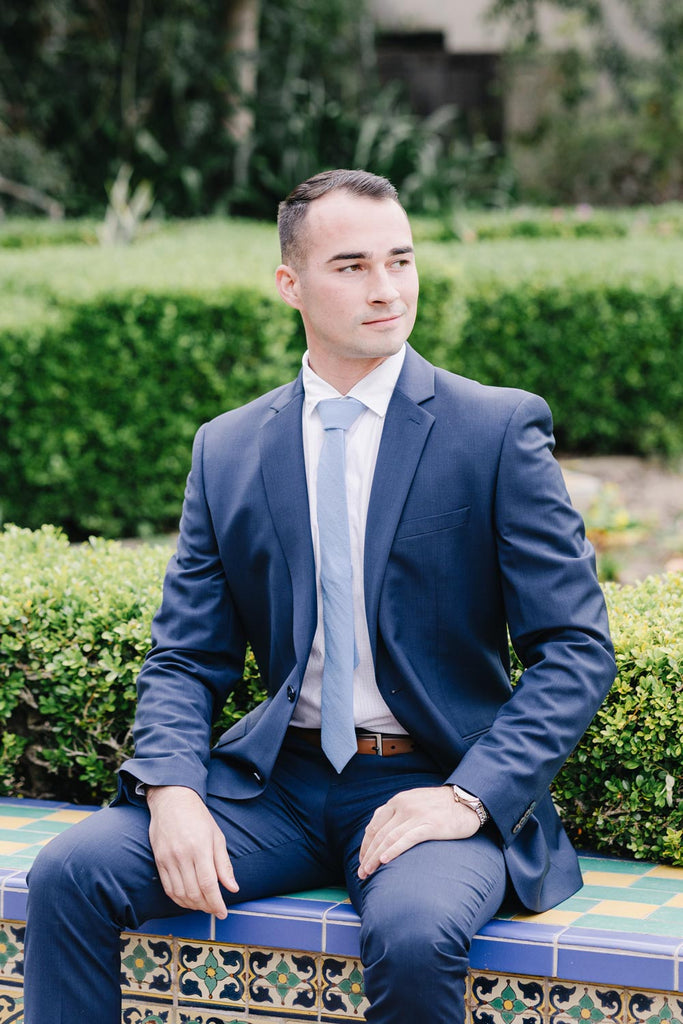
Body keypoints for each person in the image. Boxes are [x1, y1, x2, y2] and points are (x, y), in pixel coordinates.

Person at [24, 168, 616, 1024]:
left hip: (432, 780)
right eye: (351, 266)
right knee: (70, 872)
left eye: (400, 261)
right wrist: (173, 790)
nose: (387, 290)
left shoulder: (493, 430)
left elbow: (574, 648)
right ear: (289, 285)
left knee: (414, 936)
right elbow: (187, 655)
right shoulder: (226, 448)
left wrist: (467, 797)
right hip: (277, 788)